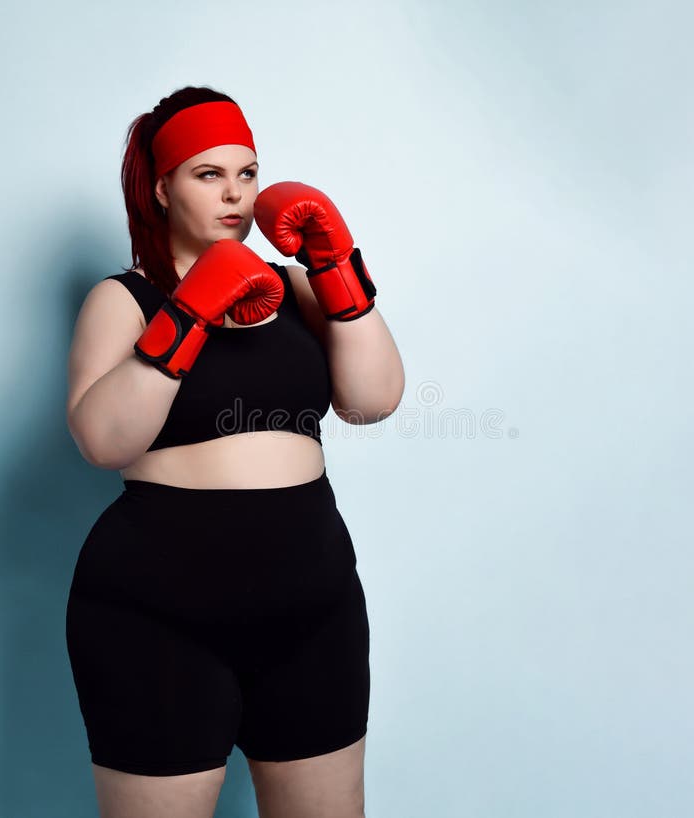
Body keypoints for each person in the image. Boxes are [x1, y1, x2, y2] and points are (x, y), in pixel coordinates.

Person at [64, 85, 405, 818]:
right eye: (208, 174)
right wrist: (187, 313)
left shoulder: (292, 289)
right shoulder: (123, 299)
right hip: (158, 612)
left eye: (247, 173)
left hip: (313, 607)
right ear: (161, 188)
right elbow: (100, 441)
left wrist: (338, 269)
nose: (235, 195)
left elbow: (372, 400)